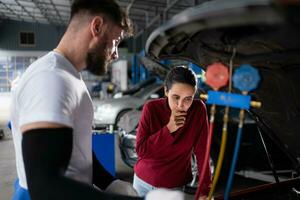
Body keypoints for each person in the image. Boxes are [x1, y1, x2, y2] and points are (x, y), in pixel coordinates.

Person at [10, 0, 184, 200]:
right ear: (97, 26)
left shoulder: (69, 75)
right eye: (116, 41)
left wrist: (109, 182)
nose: (116, 53)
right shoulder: (50, 79)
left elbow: (78, 147)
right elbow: (44, 185)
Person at [133, 66, 212, 199]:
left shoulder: (198, 110)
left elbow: (203, 152)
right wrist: (169, 128)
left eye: (188, 99)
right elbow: (141, 150)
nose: (181, 105)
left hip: (173, 185)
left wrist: (205, 190)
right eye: (176, 97)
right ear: (166, 91)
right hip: (143, 182)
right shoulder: (151, 109)